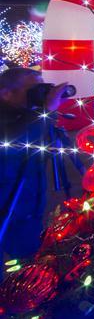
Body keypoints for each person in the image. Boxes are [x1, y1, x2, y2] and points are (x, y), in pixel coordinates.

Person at [0, 68, 70, 266]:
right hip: (8, 204)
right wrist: (45, 112)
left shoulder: (28, 116)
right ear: (6, 93)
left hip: (30, 206)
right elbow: (15, 140)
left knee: (26, 259)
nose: (40, 95)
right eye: (33, 90)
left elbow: (43, 151)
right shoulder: (9, 120)